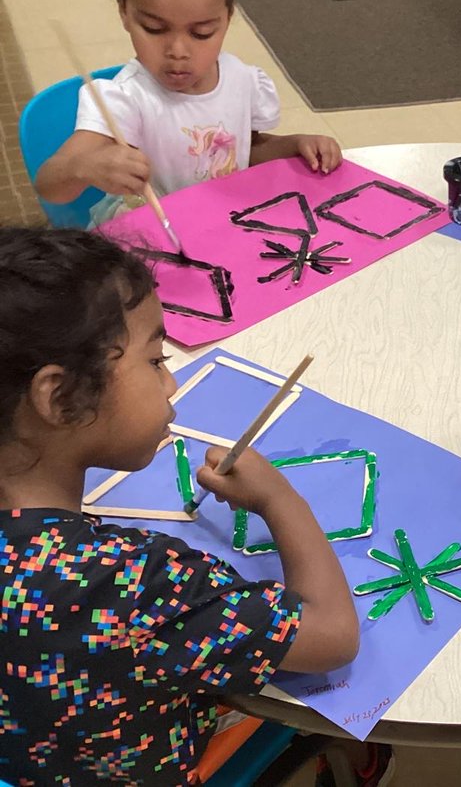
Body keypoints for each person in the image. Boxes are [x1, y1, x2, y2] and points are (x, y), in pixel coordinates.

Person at [0, 228, 360, 783]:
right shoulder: (127, 582)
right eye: (155, 361)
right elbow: (333, 636)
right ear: (61, 396)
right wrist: (277, 496)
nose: (170, 384)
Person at [34, 0, 343, 226]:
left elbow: (245, 153)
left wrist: (295, 145)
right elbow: (50, 184)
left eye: (202, 33)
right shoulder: (122, 99)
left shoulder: (242, 80)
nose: (178, 51)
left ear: (228, 16)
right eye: (154, 28)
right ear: (124, 10)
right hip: (158, 237)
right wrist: (86, 166)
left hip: (224, 224)